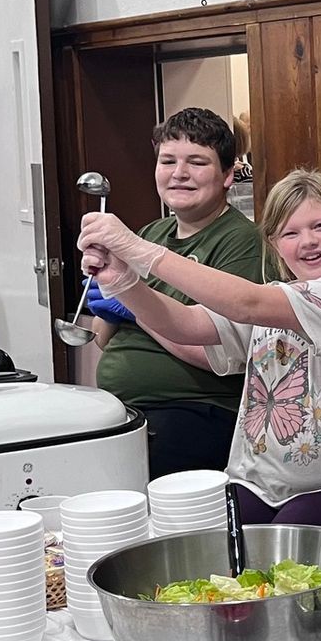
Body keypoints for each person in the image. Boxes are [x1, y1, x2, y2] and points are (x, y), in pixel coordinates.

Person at [79, 166, 321, 538]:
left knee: (283, 541)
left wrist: (141, 252)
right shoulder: (272, 299)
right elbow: (185, 325)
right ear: (275, 245)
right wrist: (125, 283)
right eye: (290, 233)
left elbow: (247, 302)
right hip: (256, 487)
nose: (308, 241)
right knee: (199, 540)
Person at [84, 108, 267, 477]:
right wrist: (101, 289)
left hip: (197, 411)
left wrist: (132, 302)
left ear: (229, 175)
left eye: (197, 162)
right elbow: (105, 340)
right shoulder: (150, 235)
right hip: (124, 407)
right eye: (168, 160)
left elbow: (218, 353)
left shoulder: (242, 242)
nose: (179, 173)